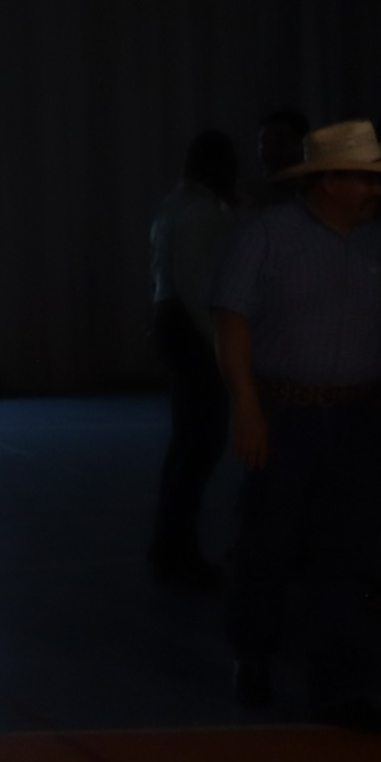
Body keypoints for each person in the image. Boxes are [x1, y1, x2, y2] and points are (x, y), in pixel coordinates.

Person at [213, 119, 381, 732]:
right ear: (330, 181)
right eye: (368, 180)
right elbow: (231, 321)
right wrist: (247, 407)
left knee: (348, 553)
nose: (378, 191)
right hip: (286, 411)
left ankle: (338, 687)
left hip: (357, 416)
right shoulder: (267, 236)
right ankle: (254, 654)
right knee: (270, 542)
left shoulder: (377, 245)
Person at [148, 130, 239, 586]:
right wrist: (224, 348)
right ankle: (175, 551)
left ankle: (169, 547)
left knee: (187, 443)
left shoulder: (172, 207)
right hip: (190, 330)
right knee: (201, 444)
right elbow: (200, 290)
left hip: (170, 323)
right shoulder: (203, 213)